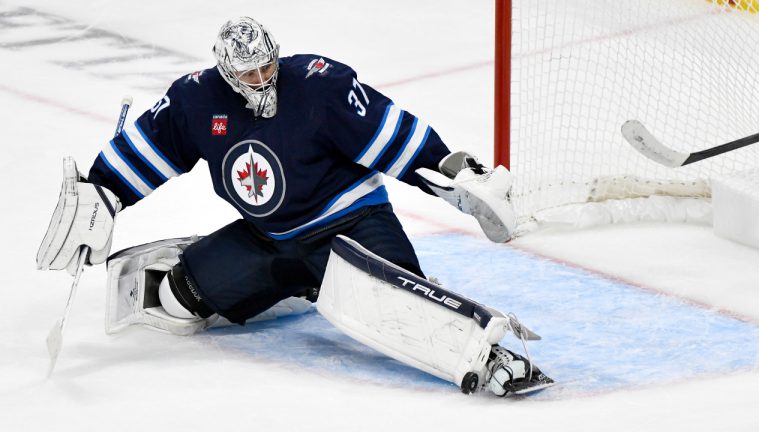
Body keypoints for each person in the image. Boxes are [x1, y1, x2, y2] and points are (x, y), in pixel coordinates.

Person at [37, 17, 551, 396]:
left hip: (351, 221)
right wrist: (102, 192)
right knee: (176, 299)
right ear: (226, 72)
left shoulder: (319, 84)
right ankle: (300, 282)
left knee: (399, 305)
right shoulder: (196, 100)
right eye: (249, 72)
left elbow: (392, 134)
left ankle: (492, 356)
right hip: (270, 238)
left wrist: (453, 170)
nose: (261, 79)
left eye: (267, 65)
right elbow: (150, 145)